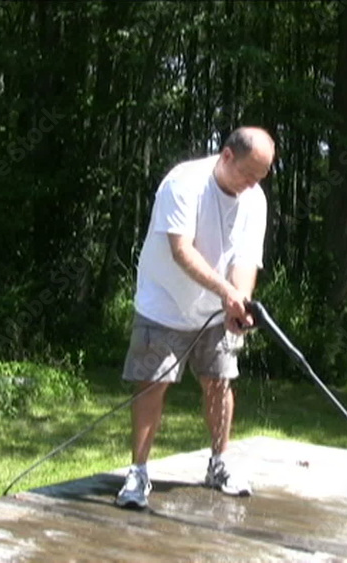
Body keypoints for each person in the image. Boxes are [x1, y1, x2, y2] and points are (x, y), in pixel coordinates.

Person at [115, 126, 274, 508]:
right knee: (152, 383)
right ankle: (138, 473)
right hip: (164, 302)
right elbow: (181, 250)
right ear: (226, 156)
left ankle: (219, 463)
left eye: (260, 178)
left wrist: (241, 303)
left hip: (217, 308)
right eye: (248, 175)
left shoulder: (254, 198)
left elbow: (246, 258)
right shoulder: (183, 183)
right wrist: (227, 293)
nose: (252, 185)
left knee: (220, 382)